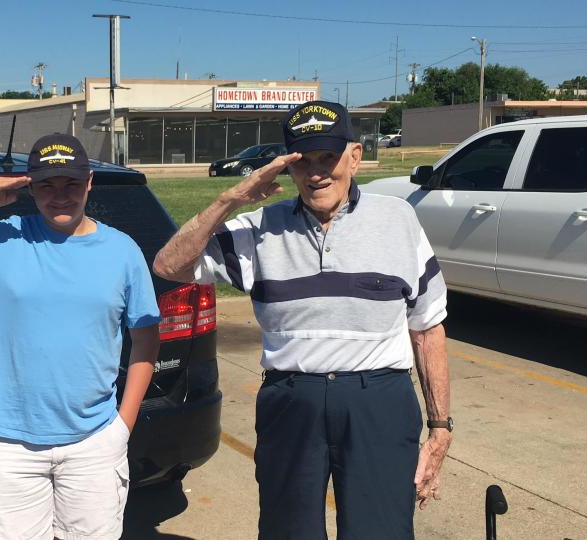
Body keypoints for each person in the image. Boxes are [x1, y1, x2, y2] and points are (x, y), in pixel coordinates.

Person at [153, 101, 452, 539]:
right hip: (292, 401)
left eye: (327, 158)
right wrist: (231, 198)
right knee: (288, 531)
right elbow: (169, 265)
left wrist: (440, 429)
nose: (316, 173)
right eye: (303, 162)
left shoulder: (398, 220)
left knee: (382, 531)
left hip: (378, 401)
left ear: (355, 155)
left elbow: (427, 329)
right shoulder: (259, 229)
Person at [0, 133, 161, 540]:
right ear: (30, 187)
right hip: (9, 446)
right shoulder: (1, 237)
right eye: (47, 185)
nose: (60, 196)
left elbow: (146, 339)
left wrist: (122, 425)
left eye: (71, 184)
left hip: (94, 441)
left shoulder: (122, 250)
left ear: (89, 182)